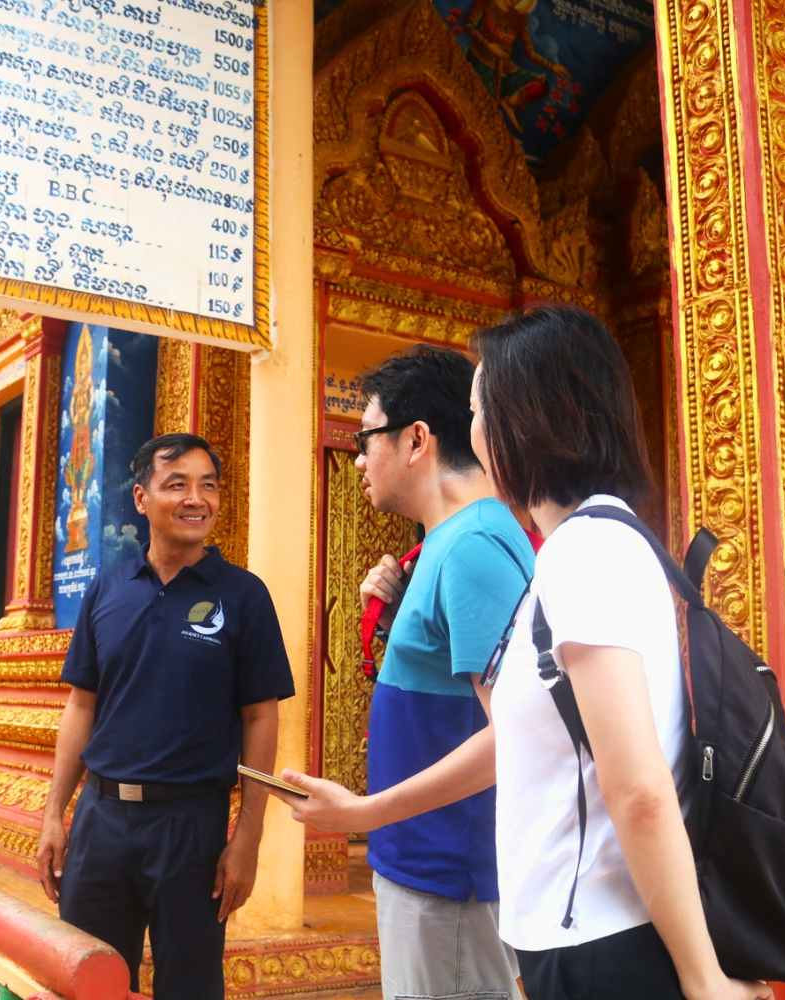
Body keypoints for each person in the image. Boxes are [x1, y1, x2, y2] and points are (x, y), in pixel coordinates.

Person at [470, 306, 771, 1000]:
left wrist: (703, 980)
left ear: (528, 417)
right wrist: (369, 813)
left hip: (611, 941)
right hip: (583, 934)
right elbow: (529, 740)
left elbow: (636, 788)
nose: (476, 434)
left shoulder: (587, 552)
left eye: (480, 410)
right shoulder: (598, 545)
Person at [279, 347, 534, 1000]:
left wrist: (363, 813)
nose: (359, 458)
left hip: (448, 877)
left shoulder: (474, 547)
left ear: (417, 438)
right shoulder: (450, 543)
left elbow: (518, 735)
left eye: (366, 438)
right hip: (424, 869)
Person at [35, 433, 295, 1000]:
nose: (195, 498)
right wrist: (56, 813)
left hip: (192, 828)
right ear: (141, 497)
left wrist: (248, 837)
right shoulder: (109, 587)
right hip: (102, 820)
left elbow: (261, 719)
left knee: (190, 986)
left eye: (208, 486)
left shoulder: (243, 596)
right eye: (176, 484)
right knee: (88, 978)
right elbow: (82, 704)